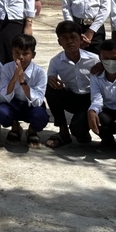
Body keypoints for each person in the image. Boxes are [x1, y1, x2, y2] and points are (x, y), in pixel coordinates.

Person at [44, 21, 97, 149]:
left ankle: (82, 130)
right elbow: (51, 78)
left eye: (73, 37)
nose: (70, 42)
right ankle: (63, 131)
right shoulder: (56, 61)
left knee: (77, 129)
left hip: (90, 99)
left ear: (81, 39)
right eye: (65, 38)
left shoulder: (94, 59)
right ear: (59, 42)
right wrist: (52, 80)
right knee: (49, 87)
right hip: (72, 98)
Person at [0, 34, 50, 147]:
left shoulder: (40, 72)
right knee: (0, 112)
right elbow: (2, 96)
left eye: (25, 54)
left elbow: (38, 100)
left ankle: (32, 130)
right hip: (13, 103)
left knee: (41, 117)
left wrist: (22, 81)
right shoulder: (7, 68)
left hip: (31, 106)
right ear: (12, 53)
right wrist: (14, 79)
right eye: (16, 53)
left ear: (33, 55)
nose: (20, 57)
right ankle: (15, 126)